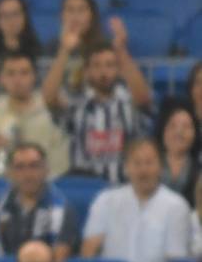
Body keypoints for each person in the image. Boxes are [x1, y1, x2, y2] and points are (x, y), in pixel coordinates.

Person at [43, 29, 151, 183]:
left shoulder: (128, 102)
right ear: (86, 71)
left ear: (118, 70)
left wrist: (121, 52)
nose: (103, 71)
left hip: (122, 186)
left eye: (110, 65)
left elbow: (143, 99)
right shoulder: (76, 103)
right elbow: (49, 98)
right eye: (97, 65)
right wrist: (64, 51)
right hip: (84, 188)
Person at [82, 139, 196, 262]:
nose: (143, 170)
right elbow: (89, 250)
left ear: (160, 167)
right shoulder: (105, 201)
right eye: (137, 163)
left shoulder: (177, 206)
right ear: (126, 167)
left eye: (149, 163)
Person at [0, 51, 70, 178]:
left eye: (24, 73)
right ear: (1, 79)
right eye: (10, 73)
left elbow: (60, 168)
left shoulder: (52, 119)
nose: (17, 80)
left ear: (34, 77)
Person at [0, 141, 81, 262]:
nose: (27, 174)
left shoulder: (63, 210)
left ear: (46, 169)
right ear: (11, 173)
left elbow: (60, 259)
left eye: (34, 166)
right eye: (20, 167)